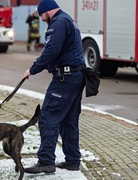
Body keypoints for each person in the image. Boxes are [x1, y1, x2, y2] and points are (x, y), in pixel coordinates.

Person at [23, 0, 85, 174]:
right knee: (68, 121)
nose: (42, 19)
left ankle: (45, 161)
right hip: (76, 77)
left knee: (48, 118)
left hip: (65, 79)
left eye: (42, 15)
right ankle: (72, 160)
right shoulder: (67, 19)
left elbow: (52, 50)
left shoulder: (58, 22)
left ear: (48, 11)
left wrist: (33, 69)